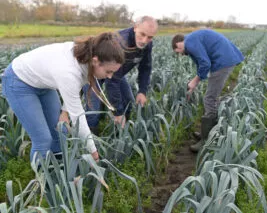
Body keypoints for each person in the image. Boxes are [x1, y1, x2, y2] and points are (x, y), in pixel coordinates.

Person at [1, 32, 125, 162]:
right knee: (43, 140)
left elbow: (74, 89)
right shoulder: (69, 71)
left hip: (43, 84)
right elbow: (78, 117)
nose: (110, 76)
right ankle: (42, 179)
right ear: (95, 61)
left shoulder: (86, 58)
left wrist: (65, 112)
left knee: (60, 132)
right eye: (108, 71)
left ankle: (57, 170)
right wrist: (93, 153)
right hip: (19, 82)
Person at [60, 16, 158, 132]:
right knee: (94, 110)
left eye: (150, 37)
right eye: (142, 34)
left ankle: (120, 135)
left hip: (116, 74)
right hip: (95, 72)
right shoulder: (121, 43)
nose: (144, 40)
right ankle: (91, 140)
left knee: (128, 102)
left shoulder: (147, 45)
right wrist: (117, 112)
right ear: (135, 27)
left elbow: (145, 67)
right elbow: (112, 82)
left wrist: (142, 91)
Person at [172, 29, 244, 152]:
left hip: (223, 62)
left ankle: (207, 140)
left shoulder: (189, 42)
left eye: (177, 51)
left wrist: (194, 81)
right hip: (224, 59)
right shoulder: (192, 41)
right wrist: (195, 82)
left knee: (210, 98)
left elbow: (205, 64)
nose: (180, 54)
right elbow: (202, 64)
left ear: (178, 44)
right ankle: (209, 132)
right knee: (211, 96)